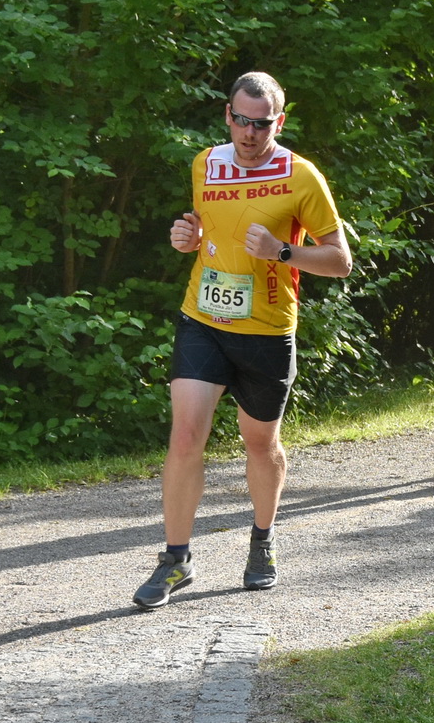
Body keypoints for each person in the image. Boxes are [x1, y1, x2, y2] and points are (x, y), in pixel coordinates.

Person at [132, 72, 353, 610]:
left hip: (267, 331)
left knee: (260, 444)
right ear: (227, 116)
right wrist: (189, 239)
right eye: (241, 120)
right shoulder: (205, 164)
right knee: (186, 435)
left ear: (280, 122)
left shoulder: (301, 176)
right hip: (203, 319)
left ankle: (262, 540)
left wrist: (282, 251)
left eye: (262, 123)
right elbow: (210, 233)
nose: (250, 133)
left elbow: (340, 261)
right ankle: (176, 558)